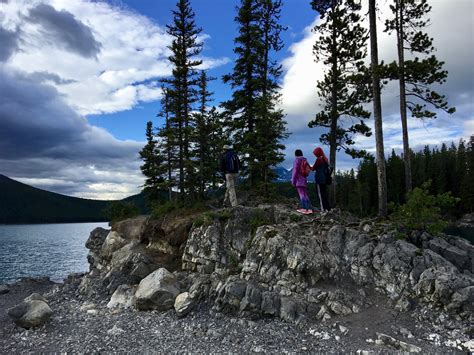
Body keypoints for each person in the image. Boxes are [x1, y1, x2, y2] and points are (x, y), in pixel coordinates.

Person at [291, 149, 313, 214]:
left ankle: (304, 209)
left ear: (295, 154)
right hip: (304, 179)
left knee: (301, 194)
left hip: (299, 180)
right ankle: (309, 209)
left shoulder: (297, 160)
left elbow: (295, 171)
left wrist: (293, 181)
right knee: (305, 194)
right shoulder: (305, 160)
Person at [311, 147, 331, 212]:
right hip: (324, 179)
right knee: (324, 194)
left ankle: (322, 209)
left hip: (319, 179)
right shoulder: (325, 159)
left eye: (315, 153)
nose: (315, 155)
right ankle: (328, 208)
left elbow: (313, 168)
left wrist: (307, 165)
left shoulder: (319, 159)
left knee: (320, 194)